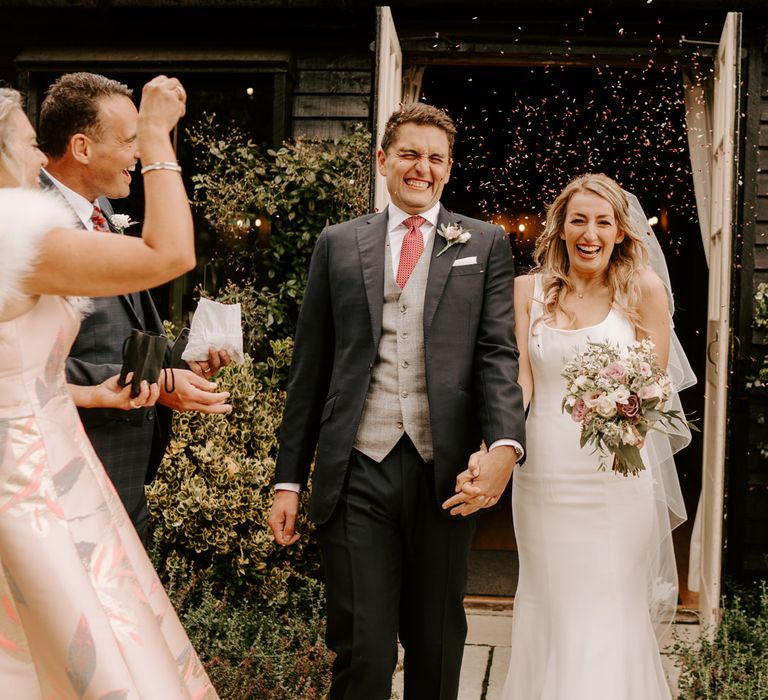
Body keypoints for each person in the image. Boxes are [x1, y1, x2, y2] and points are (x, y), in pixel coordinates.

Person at [268, 102, 526, 700]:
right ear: (383, 160)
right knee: (364, 644)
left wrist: (505, 445)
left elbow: (496, 355)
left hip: (446, 472)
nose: (423, 168)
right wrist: (288, 480)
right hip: (358, 463)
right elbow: (311, 367)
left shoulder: (482, 244)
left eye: (436, 158)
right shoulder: (337, 244)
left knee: (437, 643)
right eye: (410, 154)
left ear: (449, 168)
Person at [0, 80, 218, 697]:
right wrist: (155, 139)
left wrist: (95, 393)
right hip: (30, 481)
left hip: (53, 456)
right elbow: (171, 252)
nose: (40, 160)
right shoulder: (17, 239)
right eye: (25, 146)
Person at [495, 173, 693, 699]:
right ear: (560, 228)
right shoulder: (526, 292)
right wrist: (495, 447)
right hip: (543, 479)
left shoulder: (643, 291)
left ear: (621, 232)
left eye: (603, 221)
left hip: (614, 481)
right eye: (578, 220)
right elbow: (521, 383)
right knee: (551, 606)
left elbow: (653, 390)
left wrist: (620, 411)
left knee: (608, 609)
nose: (590, 232)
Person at [37, 72, 231, 540]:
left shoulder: (97, 211)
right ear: (82, 148)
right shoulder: (37, 225)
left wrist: (178, 361)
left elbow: (113, 331)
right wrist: (157, 383)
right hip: (65, 483)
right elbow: (22, 367)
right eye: (130, 140)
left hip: (120, 481)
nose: (139, 152)